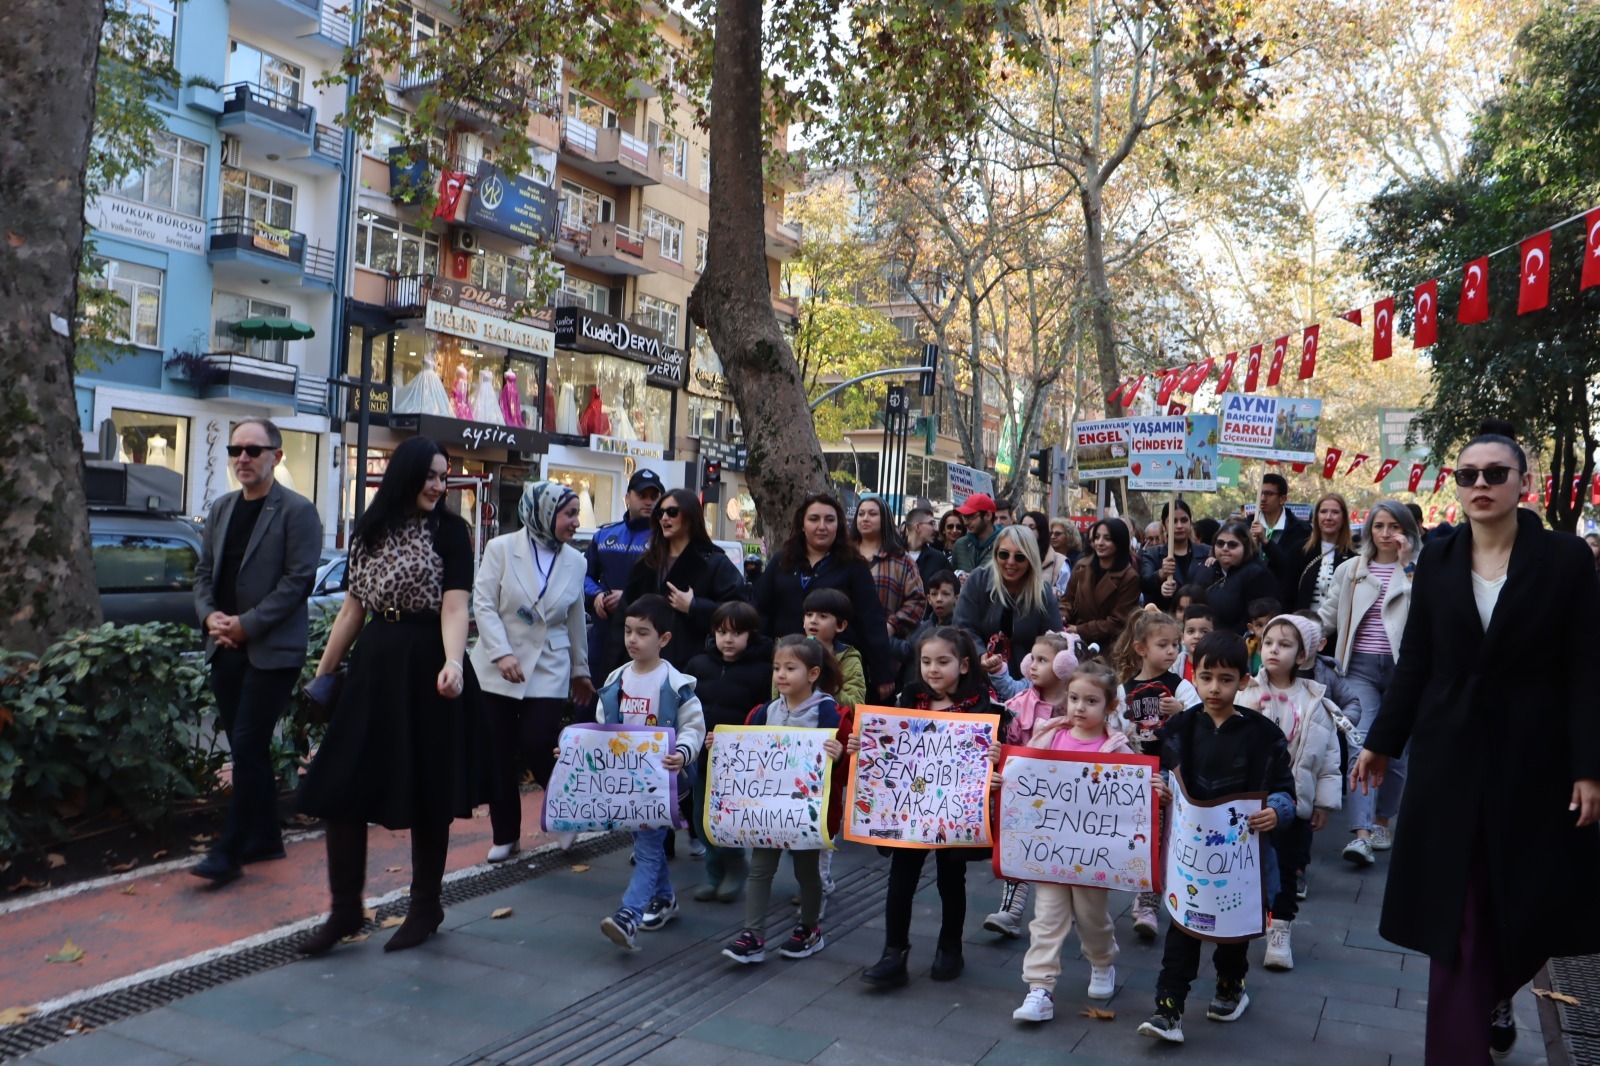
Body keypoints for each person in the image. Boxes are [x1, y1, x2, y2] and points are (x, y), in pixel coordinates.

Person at [1351, 420, 1600, 1064]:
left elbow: (1585, 667)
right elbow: (1418, 661)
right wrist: (1383, 741)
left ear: (1524, 483)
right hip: (1449, 752)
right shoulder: (1435, 555)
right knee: (1454, 908)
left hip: (1534, 757)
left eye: (1495, 473)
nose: (1481, 484)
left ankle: (1495, 986)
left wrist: (1588, 767)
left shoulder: (1567, 560)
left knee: (1531, 897)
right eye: (1468, 475)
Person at [296, 436, 487, 954]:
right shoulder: (371, 529)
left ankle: (425, 906)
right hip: (376, 662)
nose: (438, 485)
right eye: (430, 475)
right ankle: (344, 911)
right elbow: (352, 609)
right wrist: (325, 672)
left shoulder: (452, 531)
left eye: (444, 477)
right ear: (405, 474)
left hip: (428, 663)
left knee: (429, 791)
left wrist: (452, 661)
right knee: (340, 785)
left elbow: (454, 607)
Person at [1137, 631, 1295, 1044]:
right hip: (1189, 854)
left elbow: (1285, 788)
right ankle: (1167, 1008)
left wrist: (1276, 810)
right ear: (1194, 675)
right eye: (1206, 677)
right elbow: (1160, 773)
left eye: (1226, 679)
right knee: (1183, 928)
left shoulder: (1263, 735)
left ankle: (1231, 985)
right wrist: (1164, 790)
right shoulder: (1180, 728)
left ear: (1244, 680)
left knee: (1233, 931)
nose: (1214, 688)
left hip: (1242, 855)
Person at [191, 418, 322, 884]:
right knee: (249, 748)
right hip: (223, 647)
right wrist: (211, 619)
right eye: (235, 450)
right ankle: (265, 836)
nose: (242, 458)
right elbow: (204, 573)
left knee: (245, 743)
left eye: (253, 450)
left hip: (272, 651)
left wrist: (246, 626)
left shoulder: (297, 512)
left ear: (276, 457)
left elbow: (297, 582)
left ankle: (230, 851)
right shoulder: (222, 508)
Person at [858, 627, 1006, 988]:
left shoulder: (984, 708)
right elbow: (886, 746)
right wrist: (863, 744)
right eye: (926, 661)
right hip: (911, 808)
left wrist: (997, 758)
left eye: (943, 661)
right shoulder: (908, 699)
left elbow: (996, 758)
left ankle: (950, 946)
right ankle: (894, 952)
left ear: (965, 664)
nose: (932, 669)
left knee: (950, 878)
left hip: (954, 812)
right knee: (901, 878)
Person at [470, 481, 594, 864]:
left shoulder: (576, 560)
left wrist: (580, 670)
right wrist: (502, 652)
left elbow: (575, 621)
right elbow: (484, 604)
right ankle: (506, 835)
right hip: (496, 666)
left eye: (576, 514)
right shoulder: (501, 548)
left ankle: (568, 813)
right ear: (543, 513)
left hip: (548, 665)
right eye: (569, 514)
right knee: (497, 751)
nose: (576, 522)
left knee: (540, 742)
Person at [1002, 661, 1132, 1022]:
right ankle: (1039, 989)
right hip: (1050, 850)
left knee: (1092, 918)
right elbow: (1022, 776)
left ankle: (1103, 961)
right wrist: (1004, 779)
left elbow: (1135, 790)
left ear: (1109, 707)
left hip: (1093, 855)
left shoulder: (1115, 747)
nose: (1079, 707)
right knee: (1047, 917)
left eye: (1091, 701)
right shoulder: (1049, 736)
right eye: (1074, 698)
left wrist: (1155, 790)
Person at [720, 635, 844, 964]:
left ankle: (809, 928)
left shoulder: (827, 711)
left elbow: (839, 760)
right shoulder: (766, 711)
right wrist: (721, 747)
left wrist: (840, 753)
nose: (781, 675)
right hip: (769, 808)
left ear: (813, 673)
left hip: (805, 811)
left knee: (807, 873)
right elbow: (748, 748)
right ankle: (753, 934)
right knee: (760, 870)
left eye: (791, 668)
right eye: (777, 668)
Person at [596, 595, 706, 950]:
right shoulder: (615, 680)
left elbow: (693, 726)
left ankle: (628, 915)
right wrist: (577, 750)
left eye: (643, 633)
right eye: (628, 631)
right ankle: (666, 898)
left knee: (646, 846)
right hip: (625, 784)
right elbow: (602, 727)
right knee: (647, 845)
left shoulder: (675, 684)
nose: (632, 639)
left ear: (664, 639)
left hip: (665, 785)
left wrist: (683, 753)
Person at [1236, 614, 1343, 972]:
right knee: (1246, 866)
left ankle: (1279, 928)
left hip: (1293, 801)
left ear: (1303, 655)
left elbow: (1328, 757)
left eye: (1284, 645)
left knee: (1285, 867)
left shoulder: (1315, 701)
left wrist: (1324, 802)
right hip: (1248, 799)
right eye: (1268, 643)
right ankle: (1240, 922)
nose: (1273, 650)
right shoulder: (1246, 690)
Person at [1318, 500, 1418, 866]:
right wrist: (1296, 635)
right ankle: (1360, 833)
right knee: (1361, 744)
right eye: (1379, 526)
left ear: (1407, 530)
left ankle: (1381, 823)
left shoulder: (1419, 571)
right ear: (1369, 530)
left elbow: (1429, 615)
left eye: (1394, 526)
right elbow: (1327, 614)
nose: (1387, 533)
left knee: (1395, 753)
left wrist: (1408, 569)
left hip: (1405, 672)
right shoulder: (1352, 569)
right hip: (1357, 669)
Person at [982, 632, 1079, 940]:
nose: (1033, 666)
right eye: (1032, 659)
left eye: (1043, 660)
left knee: (1067, 854)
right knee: (1020, 848)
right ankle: (1011, 910)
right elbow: (1007, 740)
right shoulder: (1019, 703)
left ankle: (1072, 908)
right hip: (1026, 795)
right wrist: (998, 755)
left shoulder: (1076, 704)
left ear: (1065, 665)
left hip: (1067, 796)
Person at [752, 492, 894, 698]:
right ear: (802, 524)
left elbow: (871, 620)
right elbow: (760, 610)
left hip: (836, 667)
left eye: (829, 520)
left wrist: (882, 672)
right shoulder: (782, 561)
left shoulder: (853, 565)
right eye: (814, 519)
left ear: (839, 525)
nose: (822, 526)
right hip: (783, 666)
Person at [1114, 610, 1200, 940]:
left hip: (1172, 774)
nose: (1170, 651)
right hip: (1137, 773)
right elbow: (1116, 730)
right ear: (1140, 648)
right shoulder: (1124, 690)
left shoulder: (1182, 688)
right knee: (1142, 837)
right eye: (1162, 644)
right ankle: (1137, 897)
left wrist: (1181, 712)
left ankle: (1155, 900)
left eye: (1175, 645)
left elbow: (1199, 724)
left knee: (1168, 837)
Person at [685, 601, 772, 903]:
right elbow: (685, 706)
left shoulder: (762, 670)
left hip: (739, 761)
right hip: (702, 755)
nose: (728, 640)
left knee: (729, 818)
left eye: (737, 633)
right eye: (722, 632)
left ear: (752, 635)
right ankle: (714, 874)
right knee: (701, 818)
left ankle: (734, 864)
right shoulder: (699, 664)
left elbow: (765, 713)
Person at [612, 488, 749, 672]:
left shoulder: (714, 562)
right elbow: (623, 618)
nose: (665, 518)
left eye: (672, 512)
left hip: (692, 667)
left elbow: (740, 613)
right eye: (660, 513)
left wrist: (694, 606)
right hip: (643, 667)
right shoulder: (646, 564)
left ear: (690, 516)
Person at [584, 469, 663, 679]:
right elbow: (583, 575)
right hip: (603, 631)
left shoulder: (664, 540)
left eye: (654, 497)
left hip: (642, 636)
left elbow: (666, 586)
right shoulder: (604, 535)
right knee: (594, 696)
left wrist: (628, 598)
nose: (649, 502)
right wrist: (597, 595)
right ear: (628, 498)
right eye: (642, 495)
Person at [954, 524, 1063, 676]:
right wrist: (980, 654)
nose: (1011, 562)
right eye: (1004, 554)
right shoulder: (978, 580)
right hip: (979, 675)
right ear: (996, 553)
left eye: (1020, 557)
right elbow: (963, 627)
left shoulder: (1042, 592)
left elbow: (1055, 640)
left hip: (1027, 679)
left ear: (1031, 559)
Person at [853, 496, 928, 641]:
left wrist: (891, 626)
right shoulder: (842, 556)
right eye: (861, 514)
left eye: (872, 514)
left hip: (884, 646)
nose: (865, 518)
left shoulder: (902, 560)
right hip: (842, 647)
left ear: (885, 519)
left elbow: (917, 600)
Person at [1059, 519, 1140, 649]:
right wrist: (1063, 614)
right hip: (1073, 642)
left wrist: (1080, 629)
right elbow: (1067, 599)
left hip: (1107, 648)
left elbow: (1118, 622)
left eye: (1107, 538)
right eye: (1097, 537)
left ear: (1119, 542)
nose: (1100, 543)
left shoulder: (1129, 577)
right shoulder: (1081, 566)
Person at [1204, 520, 1280, 634]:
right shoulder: (1209, 570)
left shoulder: (1257, 574)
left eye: (1232, 544)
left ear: (1246, 547)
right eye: (1220, 543)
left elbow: (1254, 620)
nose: (1225, 548)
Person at [1252, 472, 1313, 606]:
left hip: (1283, 602)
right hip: (1252, 600)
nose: (1262, 498)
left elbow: (1292, 567)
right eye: (1260, 493)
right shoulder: (1246, 525)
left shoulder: (1300, 530)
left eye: (1269, 494)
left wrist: (1266, 542)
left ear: (1282, 499)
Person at [1139, 500, 1212, 612]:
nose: (1179, 526)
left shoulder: (1207, 552)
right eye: (1173, 521)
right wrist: (1160, 575)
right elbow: (1144, 583)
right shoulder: (1152, 554)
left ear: (1190, 522)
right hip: (1164, 620)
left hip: (1198, 620)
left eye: (1184, 520)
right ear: (1164, 525)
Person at [801, 587, 867, 707]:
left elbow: (856, 707)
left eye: (823, 616)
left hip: (831, 723)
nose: (813, 620)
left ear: (840, 625)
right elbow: (777, 696)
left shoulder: (849, 659)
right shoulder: (790, 651)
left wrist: (827, 681)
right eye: (809, 615)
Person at [1294, 493, 1356, 614]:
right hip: (1303, 626)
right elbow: (1288, 594)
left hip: (1339, 629)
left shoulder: (1353, 555)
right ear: (1316, 516)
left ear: (1343, 517)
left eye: (1335, 512)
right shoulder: (1300, 550)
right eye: (1323, 511)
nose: (1328, 517)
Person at [903, 506, 952, 591]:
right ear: (918, 527)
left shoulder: (939, 559)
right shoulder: (892, 554)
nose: (936, 529)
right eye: (931, 523)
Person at [950, 493, 1000, 572]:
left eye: (970, 517)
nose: (966, 522)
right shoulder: (960, 545)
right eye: (964, 517)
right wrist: (958, 577)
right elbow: (951, 576)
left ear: (988, 516)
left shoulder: (1004, 545)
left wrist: (974, 580)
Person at [1020, 511, 1066, 592]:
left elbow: (1065, 596)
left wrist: (1053, 592)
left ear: (1041, 531)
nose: (1026, 531)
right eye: (1023, 527)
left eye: (1032, 527)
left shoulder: (1060, 562)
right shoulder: (1009, 557)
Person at [1174, 603, 1215, 682]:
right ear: (1182, 637)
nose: (1197, 636)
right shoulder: (1174, 665)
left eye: (1204, 632)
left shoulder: (1220, 665)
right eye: (1191, 631)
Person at [1244, 597, 1283, 675]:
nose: (1265, 629)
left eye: (1271, 624)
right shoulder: (1245, 651)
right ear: (1251, 628)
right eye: (1259, 625)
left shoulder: (1284, 652)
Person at [1048, 518, 1082, 584]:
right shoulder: (1046, 556)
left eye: (1057, 534)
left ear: (1069, 535)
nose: (1052, 537)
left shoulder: (1079, 559)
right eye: (1051, 533)